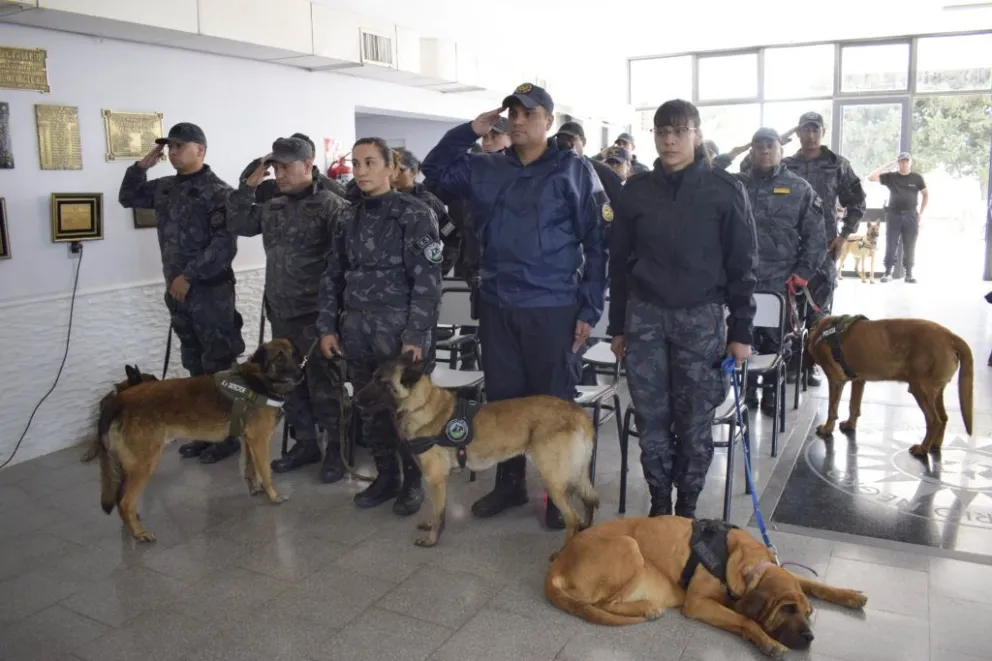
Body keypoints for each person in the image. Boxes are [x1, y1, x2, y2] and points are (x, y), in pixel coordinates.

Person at [421, 83, 608, 530]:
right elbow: (433, 170)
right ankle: (509, 484)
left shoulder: (574, 171)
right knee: (502, 402)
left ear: (549, 120)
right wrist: (470, 130)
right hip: (498, 304)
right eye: (513, 113)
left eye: (529, 113)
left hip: (553, 306)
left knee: (552, 403)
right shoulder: (486, 167)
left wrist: (588, 310)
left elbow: (599, 245)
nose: (519, 120)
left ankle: (557, 492)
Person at [608, 99, 757, 518]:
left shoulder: (724, 190)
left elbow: (743, 265)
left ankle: (688, 506)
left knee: (694, 420)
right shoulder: (636, 190)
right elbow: (618, 263)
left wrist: (741, 331)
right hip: (645, 318)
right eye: (661, 132)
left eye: (678, 131)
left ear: (697, 134)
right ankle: (659, 503)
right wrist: (617, 327)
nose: (669, 140)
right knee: (651, 417)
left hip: (701, 319)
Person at [317, 137, 442, 515]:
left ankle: (413, 482)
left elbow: (427, 282)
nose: (361, 171)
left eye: (370, 162)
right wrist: (327, 327)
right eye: (356, 164)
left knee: (407, 412)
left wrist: (416, 336)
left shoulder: (414, 214)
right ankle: (386, 477)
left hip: (399, 333)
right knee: (370, 408)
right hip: (356, 331)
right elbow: (332, 275)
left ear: (391, 167)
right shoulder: (347, 216)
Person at [118, 122, 244, 464]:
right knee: (194, 363)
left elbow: (224, 245)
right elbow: (128, 197)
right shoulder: (165, 187)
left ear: (199, 150)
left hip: (210, 292)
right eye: (169, 147)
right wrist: (141, 167)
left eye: (179, 146)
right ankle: (206, 431)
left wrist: (189, 276)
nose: (172, 152)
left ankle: (230, 435)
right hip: (178, 293)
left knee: (219, 365)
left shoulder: (219, 192)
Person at [227, 137, 348, 482]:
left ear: (308, 165)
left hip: (316, 314)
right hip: (281, 311)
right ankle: (305, 443)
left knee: (325, 386)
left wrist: (333, 317)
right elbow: (238, 223)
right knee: (288, 383)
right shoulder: (273, 206)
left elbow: (344, 263)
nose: (279, 174)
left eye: (286, 167)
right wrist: (248, 185)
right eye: (275, 167)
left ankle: (337, 450)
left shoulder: (331, 205)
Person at [735, 128, 825, 414]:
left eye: (770, 145)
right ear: (751, 151)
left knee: (777, 341)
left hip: (780, 281)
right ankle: (748, 390)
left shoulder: (799, 188)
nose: (764, 150)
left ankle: (773, 393)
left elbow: (816, 235)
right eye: (759, 145)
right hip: (742, 280)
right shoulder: (737, 186)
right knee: (744, 336)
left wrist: (803, 272)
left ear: (780, 150)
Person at [782, 112, 866, 386]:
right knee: (790, 310)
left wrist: (843, 236)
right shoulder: (786, 164)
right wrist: (779, 140)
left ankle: (812, 364)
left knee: (819, 311)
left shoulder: (837, 165)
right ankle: (791, 363)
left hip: (824, 248)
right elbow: (751, 169)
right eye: (804, 130)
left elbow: (857, 202)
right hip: (790, 249)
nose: (810, 135)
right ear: (797, 133)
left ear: (823, 131)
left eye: (815, 129)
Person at [392, 148, 459, 275]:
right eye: (391, 169)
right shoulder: (383, 199)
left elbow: (453, 238)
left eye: (401, 170)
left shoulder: (429, 202)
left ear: (414, 172)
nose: (395, 175)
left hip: (420, 274)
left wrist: (440, 270)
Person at [867, 152, 928, 284]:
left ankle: (909, 274)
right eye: (901, 161)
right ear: (898, 163)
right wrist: (888, 164)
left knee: (910, 245)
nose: (904, 163)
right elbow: (871, 177)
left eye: (906, 161)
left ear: (910, 162)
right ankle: (888, 272)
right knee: (891, 243)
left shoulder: (917, 178)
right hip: (893, 215)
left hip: (911, 215)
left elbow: (925, 194)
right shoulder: (891, 177)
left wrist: (921, 213)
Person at [239, 132, 348, 203]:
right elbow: (243, 192)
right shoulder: (275, 186)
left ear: (312, 157)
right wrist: (261, 162)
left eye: (286, 165)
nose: (279, 175)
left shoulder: (331, 190)